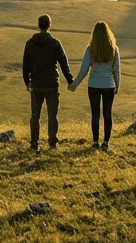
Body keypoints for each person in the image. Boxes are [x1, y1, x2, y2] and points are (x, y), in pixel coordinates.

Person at [22, 14, 72, 151]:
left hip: (36, 84)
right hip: (51, 84)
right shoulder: (55, 43)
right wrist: (70, 80)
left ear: (38, 25)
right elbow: (63, 63)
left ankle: (34, 143)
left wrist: (28, 82)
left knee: (35, 116)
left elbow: (25, 65)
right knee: (52, 116)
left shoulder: (30, 43)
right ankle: (52, 143)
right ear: (49, 25)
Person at [69, 21, 121, 151]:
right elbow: (116, 70)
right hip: (109, 85)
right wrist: (117, 85)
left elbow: (84, 69)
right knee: (107, 113)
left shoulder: (90, 49)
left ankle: (95, 141)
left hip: (93, 85)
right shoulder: (113, 49)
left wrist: (74, 84)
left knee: (95, 114)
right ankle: (106, 142)